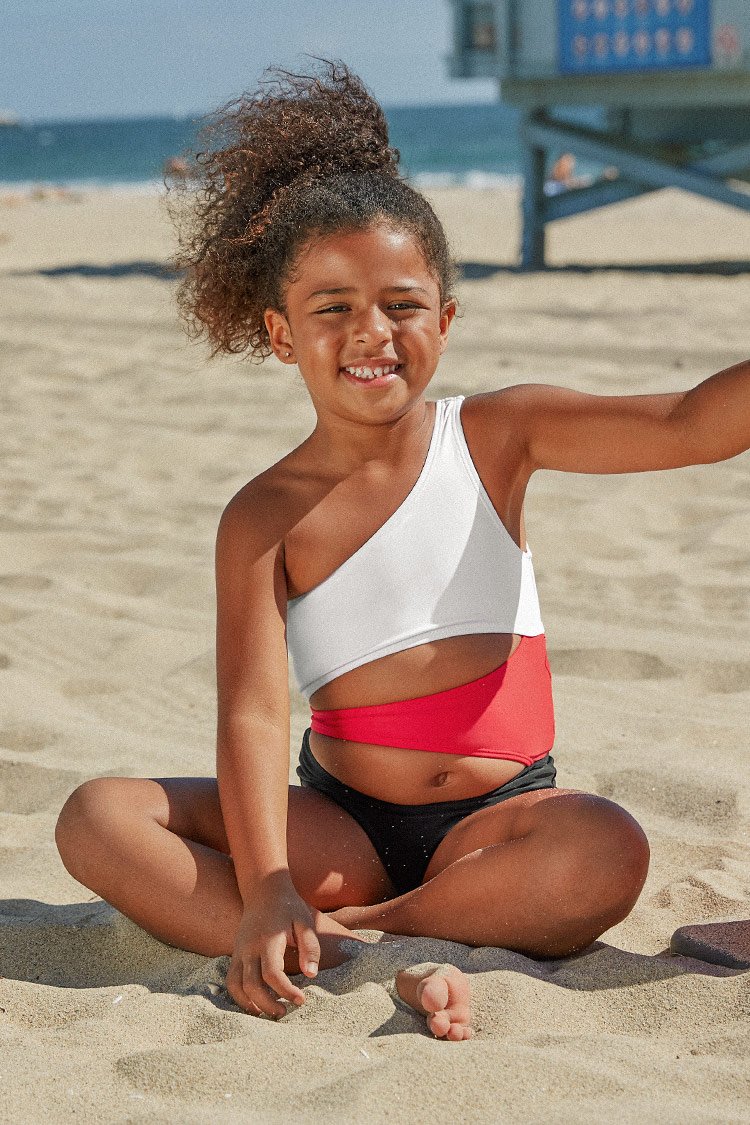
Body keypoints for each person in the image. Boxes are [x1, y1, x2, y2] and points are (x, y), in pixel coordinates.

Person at [55, 62, 750, 1041]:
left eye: (402, 303)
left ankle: (357, 936)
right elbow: (254, 716)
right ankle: (312, 929)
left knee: (607, 852)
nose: (369, 332)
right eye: (331, 308)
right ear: (282, 332)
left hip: (498, 821)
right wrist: (261, 883)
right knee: (96, 818)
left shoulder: (500, 436)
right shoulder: (263, 513)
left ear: (447, 319)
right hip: (340, 823)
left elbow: (688, 424)